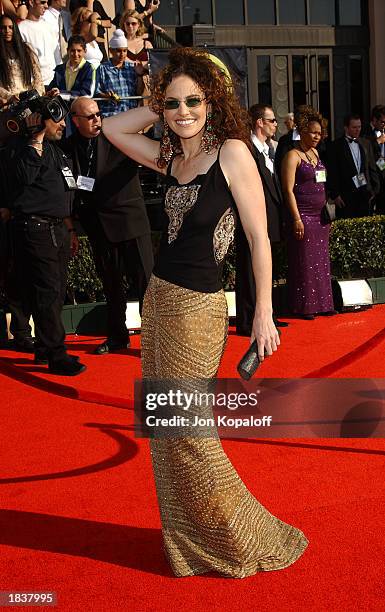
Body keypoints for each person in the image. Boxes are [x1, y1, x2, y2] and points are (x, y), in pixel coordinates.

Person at [103, 47, 307, 578]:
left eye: (194, 100)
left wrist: (263, 313)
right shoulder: (171, 157)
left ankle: (241, 533)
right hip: (160, 302)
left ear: (214, 102)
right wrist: (157, 103)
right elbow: (112, 129)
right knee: (167, 428)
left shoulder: (233, 153)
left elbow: (260, 240)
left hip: (199, 309)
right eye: (173, 103)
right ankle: (193, 538)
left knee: (189, 428)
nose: (183, 111)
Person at [1, 109, 86, 374]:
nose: (63, 124)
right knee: (47, 293)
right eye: (57, 119)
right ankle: (57, 356)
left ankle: (44, 349)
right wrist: (34, 139)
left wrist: (70, 230)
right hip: (34, 229)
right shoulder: (19, 150)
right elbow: (24, 177)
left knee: (55, 293)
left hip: (58, 229)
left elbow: (67, 190)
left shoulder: (56, 151)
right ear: (39, 122)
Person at [67, 96, 153, 354]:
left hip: (130, 221)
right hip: (99, 227)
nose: (97, 120)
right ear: (76, 121)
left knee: (145, 284)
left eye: (98, 114)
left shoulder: (117, 136)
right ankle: (117, 336)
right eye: (90, 116)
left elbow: (144, 125)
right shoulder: (68, 147)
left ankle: (154, 339)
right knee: (111, 284)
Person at [236, 103, 287, 335]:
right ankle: (246, 320)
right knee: (248, 268)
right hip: (251, 217)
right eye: (272, 120)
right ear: (260, 122)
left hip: (271, 216)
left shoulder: (271, 149)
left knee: (267, 267)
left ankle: (269, 315)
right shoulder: (245, 149)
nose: (276, 124)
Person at [281, 106, 335, 320]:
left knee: (321, 262)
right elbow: (287, 190)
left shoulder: (315, 153)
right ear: (302, 131)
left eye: (320, 133)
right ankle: (305, 307)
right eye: (313, 132)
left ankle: (323, 303)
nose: (317, 136)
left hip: (320, 216)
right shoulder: (292, 156)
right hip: (303, 215)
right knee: (304, 262)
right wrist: (296, 218)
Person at [326, 113, 380, 219]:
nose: (358, 130)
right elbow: (332, 172)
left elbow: (372, 167)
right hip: (345, 197)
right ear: (346, 128)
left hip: (365, 195)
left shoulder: (366, 143)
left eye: (359, 127)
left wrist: (375, 190)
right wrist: (335, 195)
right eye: (354, 127)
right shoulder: (335, 146)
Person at [0, 13, 44, 106]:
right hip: (8, 104)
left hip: (29, 100)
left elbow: (38, 77)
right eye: (3, 28)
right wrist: (10, 97)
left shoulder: (27, 49)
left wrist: (36, 96)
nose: (7, 31)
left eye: (10, 27)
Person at [95, 28, 138, 117]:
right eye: (118, 51)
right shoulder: (102, 68)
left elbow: (139, 91)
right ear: (111, 50)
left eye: (125, 51)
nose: (122, 54)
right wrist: (106, 96)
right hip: (110, 114)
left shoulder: (132, 68)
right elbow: (96, 91)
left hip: (130, 114)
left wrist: (141, 74)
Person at [18, 0, 58, 87]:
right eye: (43, 2)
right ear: (31, 2)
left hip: (54, 81)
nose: (47, 6)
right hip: (34, 84)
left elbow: (56, 55)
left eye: (47, 3)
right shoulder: (21, 28)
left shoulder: (49, 27)